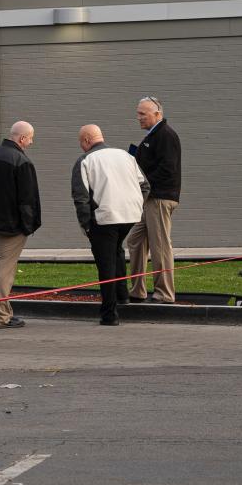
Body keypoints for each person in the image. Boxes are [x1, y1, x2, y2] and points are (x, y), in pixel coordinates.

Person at [71, 124, 148, 326]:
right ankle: (122, 296)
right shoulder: (126, 156)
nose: (81, 146)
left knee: (105, 263)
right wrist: (137, 204)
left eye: (81, 142)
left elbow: (80, 197)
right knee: (116, 252)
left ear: (87, 140)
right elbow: (145, 185)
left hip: (104, 217)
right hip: (130, 215)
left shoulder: (85, 160)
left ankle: (109, 313)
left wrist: (86, 225)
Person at [0, 121, 42, 330]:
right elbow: (28, 199)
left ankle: (0, 311)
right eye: (30, 137)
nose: (31, 141)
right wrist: (28, 225)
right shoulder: (22, 161)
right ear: (21, 138)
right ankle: (2, 315)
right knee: (4, 269)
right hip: (11, 226)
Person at [127, 96, 182, 304]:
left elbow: (167, 168)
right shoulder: (153, 136)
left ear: (157, 114)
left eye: (143, 114)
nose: (138, 117)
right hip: (150, 199)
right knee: (135, 240)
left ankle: (164, 294)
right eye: (138, 113)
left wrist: (144, 186)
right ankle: (137, 290)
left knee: (160, 245)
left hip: (158, 198)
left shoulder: (165, 135)